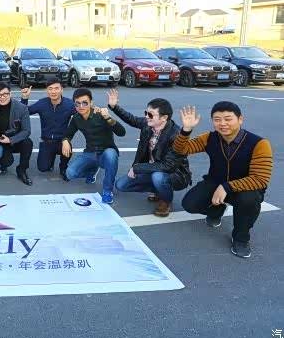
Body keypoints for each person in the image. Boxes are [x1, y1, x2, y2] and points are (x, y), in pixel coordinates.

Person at [173, 102, 273, 258]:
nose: (223, 123)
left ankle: (241, 237)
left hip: (245, 190)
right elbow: (181, 150)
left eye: (228, 119)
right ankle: (217, 208)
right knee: (190, 204)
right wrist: (186, 130)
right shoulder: (210, 138)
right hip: (215, 182)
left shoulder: (259, 144)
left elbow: (260, 179)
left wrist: (226, 187)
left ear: (240, 119)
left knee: (249, 200)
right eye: (217, 119)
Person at [107, 89, 191, 217]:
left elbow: (168, 166)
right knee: (121, 185)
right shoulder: (148, 125)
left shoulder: (176, 135)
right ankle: (158, 189)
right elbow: (132, 119)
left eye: (150, 114)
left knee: (158, 177)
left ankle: (166, 201)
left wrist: (137, 168)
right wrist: (114, 107)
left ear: (164, 118)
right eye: (146, 113)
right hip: (151, 169)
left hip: (175, 174)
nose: (147, 116)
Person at [62, 88, 126, 204]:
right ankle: (92, 171)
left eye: (85, 103)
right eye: (77, 103)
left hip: (106, 152)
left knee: (111, 154)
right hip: (90, 152)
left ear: (91, 103)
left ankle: (107, 190)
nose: (81, 106)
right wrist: (65, 141)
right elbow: (68, 134)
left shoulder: (100, 114)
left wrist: (108, 117)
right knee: (70, 173)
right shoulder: (76, 118)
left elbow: (122, 132)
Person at [20, 78, 74, 180]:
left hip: (62, 141)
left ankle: (63, 167)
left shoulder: (70, 104)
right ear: (47, 90)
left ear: (62, 90)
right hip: (47, 141)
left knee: (68, 148)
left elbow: (83, 113)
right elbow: (25, 112)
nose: (53, 91)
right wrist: (24, 98)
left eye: (56, 88)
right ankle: (50, 159)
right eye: (50, 88)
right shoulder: (42, 103)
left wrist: (95, 110)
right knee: (43, 168)